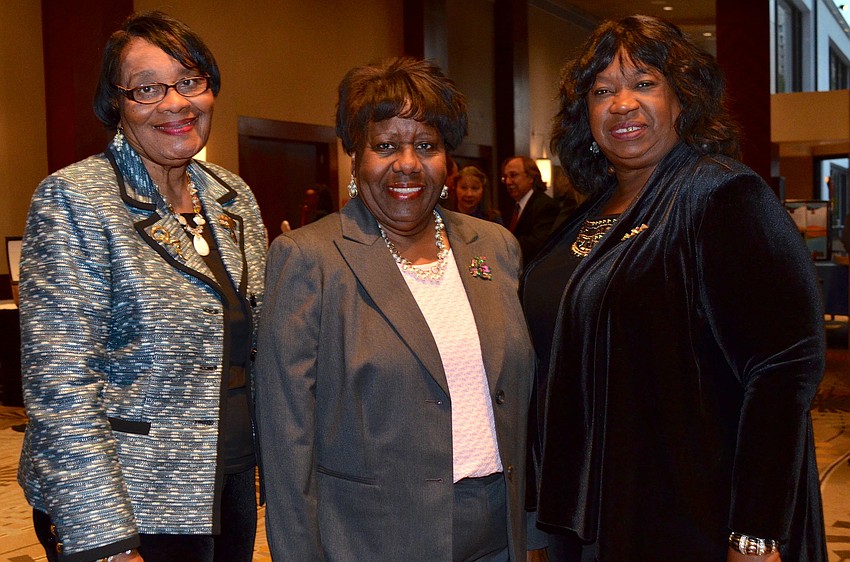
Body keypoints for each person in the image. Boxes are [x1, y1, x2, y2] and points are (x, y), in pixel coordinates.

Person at [521, 15, 825, 562]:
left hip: (693, 516)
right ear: (584, 115)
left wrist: (755, 533)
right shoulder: (590, 211)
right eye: (602, 90)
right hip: (592, 516)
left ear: (682, 99)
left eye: (644, 83)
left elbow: (784, 366)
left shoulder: (722, 196)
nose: (621, 104)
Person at [255, 56, 534, 562]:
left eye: (425, 145)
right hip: (371, 537)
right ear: (356, 157)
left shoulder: (494, 247)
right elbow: (285, 435)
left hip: (497, 528)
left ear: (446, 161)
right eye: (385, 145)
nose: (407, 163)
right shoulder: (310, 259)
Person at [17, 11, 267, 562]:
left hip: (226, 488)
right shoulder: (75, 200)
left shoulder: (234, 197)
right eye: (146, 89)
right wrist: (103, 538)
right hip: (128, 501)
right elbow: (60, 388)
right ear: (117, 106)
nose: (174, 103)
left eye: (189, 81)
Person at [501, 156, 559, 264]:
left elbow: (538, 244)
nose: (508, 182)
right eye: (505, 177)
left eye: (513, 175)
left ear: (531, 177)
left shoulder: (545, 205)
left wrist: (502, 243)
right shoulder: (512, 207)